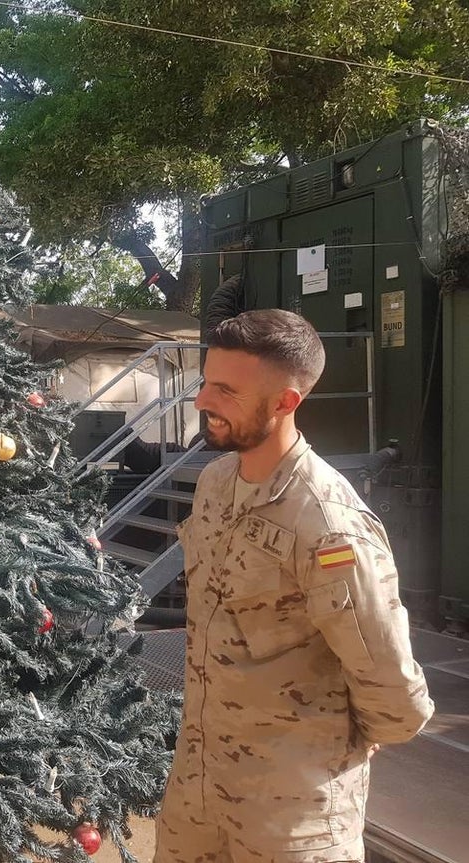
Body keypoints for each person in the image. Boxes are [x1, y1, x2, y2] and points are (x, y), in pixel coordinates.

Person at [154, 309, 433, 863]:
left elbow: (392, 689)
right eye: (206, 382)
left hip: (290, 816)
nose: (203, 401)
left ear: (285, 402)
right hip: (198, 792)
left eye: (226, 391)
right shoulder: (215, 484)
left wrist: (332, 748)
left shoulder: (326, 522)